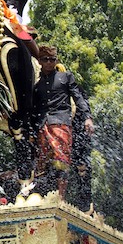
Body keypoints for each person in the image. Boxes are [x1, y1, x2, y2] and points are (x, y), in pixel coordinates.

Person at [31, 45, 93, 200]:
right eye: (46, 59)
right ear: (39, 61)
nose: (50, 63)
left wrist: (87, 117)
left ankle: (61, 198)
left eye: (53, 59)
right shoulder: (37, 86)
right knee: (42, 163)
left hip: (61, 124)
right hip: (43, 126)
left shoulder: (65, 77)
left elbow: (78, 98)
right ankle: (42, 195)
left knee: (62, 161)